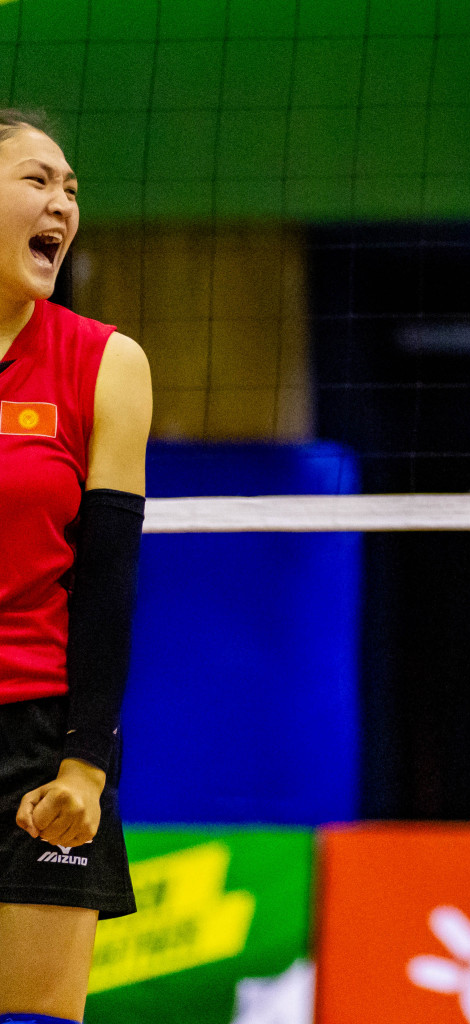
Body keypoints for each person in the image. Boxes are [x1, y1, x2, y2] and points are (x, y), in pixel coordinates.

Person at [0, 111, 151, 1023]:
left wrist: (85, 766)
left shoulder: (104, 364)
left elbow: (107, 583)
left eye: (72, 189)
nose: (62, 202)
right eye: (37, 180)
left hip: (35, 737)